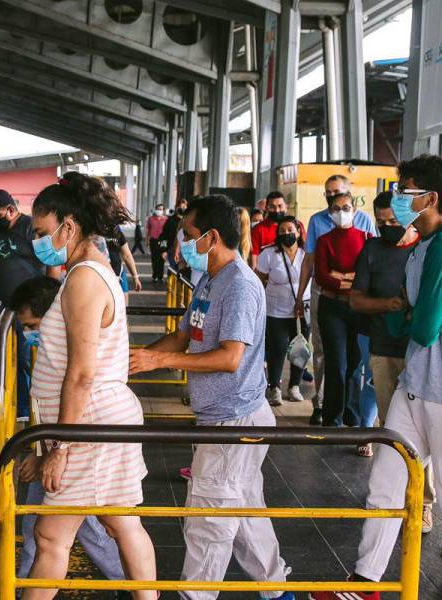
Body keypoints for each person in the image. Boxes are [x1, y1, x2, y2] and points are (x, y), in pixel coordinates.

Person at [314, 155, 442, 600]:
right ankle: (366, 580)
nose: (396, 201)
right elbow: (402, 316)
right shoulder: (419, 247)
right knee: (385, 482)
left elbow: (422, 325)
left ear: (430, 199)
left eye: (405, 192)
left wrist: (412, 316)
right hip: (414, 384)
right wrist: (411, 314)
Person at [129, 195, 293, 600]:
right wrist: (139, 357)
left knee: (208, 519)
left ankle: (195, 596)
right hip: (225, 418)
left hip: (234, 421)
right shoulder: (209, 280)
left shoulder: (238, 285)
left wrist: (160, 360)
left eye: (187, 235)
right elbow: (185, 335)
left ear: (212, 237)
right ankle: (278, 592)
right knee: (245, 512)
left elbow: (230, 357)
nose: (181, 243)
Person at [20, 172, 156, 600]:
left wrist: (60, 447)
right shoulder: (88, 271)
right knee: (122, 523)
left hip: (89, 421)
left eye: (43, 232)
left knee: (51, 539)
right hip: (95, 419)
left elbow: (80, 373)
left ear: (69, 226)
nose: (38, 241)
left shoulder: (83, 280)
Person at [8, 276, 131, 594]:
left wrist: (51, 453)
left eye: (32, 326)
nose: (28, 336)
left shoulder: (73, 363)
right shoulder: (52, 356)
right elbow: (43, 410)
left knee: (64, 530)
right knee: (54, 528)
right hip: (61, 453)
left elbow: (77, 414)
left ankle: (136, 586)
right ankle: (135, 587)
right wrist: (40, 453)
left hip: (76, 453)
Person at [349, 191, 435, 530]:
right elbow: (356, 299)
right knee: (392, 425)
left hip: (422, 350)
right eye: (381, 222)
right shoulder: (372, 250)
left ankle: (423, 501)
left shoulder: (427, 249)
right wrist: (391, 306)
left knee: (423, 428)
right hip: (384, 347)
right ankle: (397, 494)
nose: (387, 228)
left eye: (393, 222)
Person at [298, 175, 377, 423]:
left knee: (354, 364)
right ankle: (327, 410)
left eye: (345, 206)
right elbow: (321, 273)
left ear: (353, 205)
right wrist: (301, 295)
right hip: (329, 301)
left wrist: (343, 277)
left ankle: (352, 415)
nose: (340, 211)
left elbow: (368, 269)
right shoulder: (320, 231)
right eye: (332, 201)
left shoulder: (366, 231)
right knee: (331, 359)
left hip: (358, 303)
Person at [0, 189, 58, 419]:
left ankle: (31, 411)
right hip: (8, 308)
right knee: (10, 359)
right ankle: (19, 407)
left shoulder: (29, 227)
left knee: (28, 358)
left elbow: (51, 262)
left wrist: (48, 300)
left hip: (31, 309)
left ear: (11, 209)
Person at [255, 215, 309, 406]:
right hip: (275, 310)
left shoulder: (306, 253)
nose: (287, 234)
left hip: (303, 310)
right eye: (282, 231)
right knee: (276, 349)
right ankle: (274, 388)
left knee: (300, 348)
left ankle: (294, 386)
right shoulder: (269, 254)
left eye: (290, 230)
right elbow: (259, 279)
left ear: (298, 231)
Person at [249, 191, 305, 269]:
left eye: (280, 206)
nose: (277, 210)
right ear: (266, 208)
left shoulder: (297, 225)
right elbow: (254, 257)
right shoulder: (258, 229)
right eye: (272, 207)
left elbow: (306, 249)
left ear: (286, 206)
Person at [146, 204, 168, 282]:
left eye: (161, 209)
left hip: (163, 241)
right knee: (154, 258)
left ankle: (160, 276)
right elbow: (148, 230)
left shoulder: (166, 219)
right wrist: (147, 240)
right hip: (153, 240)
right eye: (158, 209)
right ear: (155, 210)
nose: (159, 210)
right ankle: (155, 275)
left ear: (163, 210)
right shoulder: (151, 219)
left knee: (162, 258)